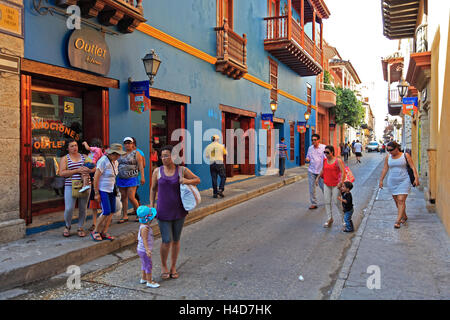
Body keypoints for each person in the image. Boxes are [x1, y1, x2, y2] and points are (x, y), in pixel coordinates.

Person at [150, 145, 200, 280]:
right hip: (163, 210)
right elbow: (153, 189)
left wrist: (187, 180)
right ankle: (163, 266)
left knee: (176, 240)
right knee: (166, 240)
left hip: (179, 210)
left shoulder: (181, 170)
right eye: (162, 156)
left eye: (166, 155)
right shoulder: (157, 171)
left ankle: (173, 266)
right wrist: (151, 206)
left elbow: (197, 180)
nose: (164, 158)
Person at [379, 141, 420, 229]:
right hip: (392, 181)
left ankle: (397, 221)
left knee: (401, 200)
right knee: (397, 201)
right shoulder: (388, 157)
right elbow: (385, 168)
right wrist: (381, 180)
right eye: (388, 150)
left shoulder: (405, 155)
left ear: (397, 148)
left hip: (404, 180)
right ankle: (404, 216)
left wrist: (416, 178)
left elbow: (413, 167)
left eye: (391, 150)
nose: (390, 152)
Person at [90, 143, 126, 241]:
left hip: (111, 189)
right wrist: (96, 193)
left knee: (112, 212)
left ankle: (104, 232)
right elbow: (96, 178)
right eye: (118, 154)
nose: (119, 156)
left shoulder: (115, 162)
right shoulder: (103, 161)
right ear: (113, 153)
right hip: (103, 190)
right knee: (106, 211)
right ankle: (96, 231)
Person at [58, 140, 92, 237]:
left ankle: (80, 227)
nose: (74, 147)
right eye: (72, 146)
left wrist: (88, 169)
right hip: (70, 185)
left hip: (85, 185)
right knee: (69, 208)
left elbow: (93, 168)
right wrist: (77, 170)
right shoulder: (65, 158)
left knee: (83, 208)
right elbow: (61, 173)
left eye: (76, 145)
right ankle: (68, 226)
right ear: (67, 148)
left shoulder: (84, 157)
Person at [316, 145, 346, 228]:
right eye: (324, 152)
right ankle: (330, 218)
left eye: (327, 152)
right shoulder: (325, 160)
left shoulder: (338, 161)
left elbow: (343, 172)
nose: (326, 154)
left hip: (336, 185)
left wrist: (341, 182)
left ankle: (344, 219)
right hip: (326, 184)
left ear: (332, 152)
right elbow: (323, 169)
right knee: (327, 201)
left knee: (337, 202)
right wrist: (318, 177)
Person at [117, 137, 145, 224]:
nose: (127, 144)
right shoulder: (121, 153)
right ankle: (124, 215)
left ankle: (139, 214)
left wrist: (143, 177)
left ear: (133, 144)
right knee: (123, 197)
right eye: (126, 143)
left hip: (132, 178)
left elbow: (141, 165)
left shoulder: (136, 153)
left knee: (131, 197)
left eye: (129, 143)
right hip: (121, 178)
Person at [136, 205, 160, 288]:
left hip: (141, 249)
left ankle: (144, 278)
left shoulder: (143, 226)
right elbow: (144, 240)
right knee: (148, 265)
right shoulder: (145, 228)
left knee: (144, 264)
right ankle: (149, 281)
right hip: (144, 250)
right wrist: (147, 250)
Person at [305, 134, 326, 209]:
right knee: (311, 188)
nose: (313, 141)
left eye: (315, 140)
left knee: (323, 187)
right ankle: (314, 203)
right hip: (311, 170)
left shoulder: (323, 147)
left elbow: (326, 159)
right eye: (312, 140)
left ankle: (327, 201)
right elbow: (308, 156)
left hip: (321, 171)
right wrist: (307, 159)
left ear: (318, 140)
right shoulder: (310, 148)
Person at [132, 137, 146, 210]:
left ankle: (138, 209)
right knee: (133, 194)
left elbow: (143, 164)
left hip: (136, 176)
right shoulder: (129, 152)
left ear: (133, 143)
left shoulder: (139, 152)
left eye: (130, 143)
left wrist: (133, 170)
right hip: (129, 177)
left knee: (133, 194)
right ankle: (136, 209)